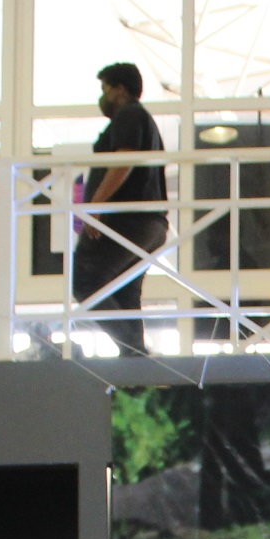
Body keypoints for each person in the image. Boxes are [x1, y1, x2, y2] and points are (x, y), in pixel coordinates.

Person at [73, 62, 168, 357]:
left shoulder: (129, 115)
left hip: (127, 220)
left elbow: (123, 161)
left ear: (120, 90)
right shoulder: (143, 121)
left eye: (105, 89)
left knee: (85, 282)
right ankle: (136, 365)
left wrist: (96, 205)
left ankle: (135, 352)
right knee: (126, 293)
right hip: (150, 225)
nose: (102, 97)